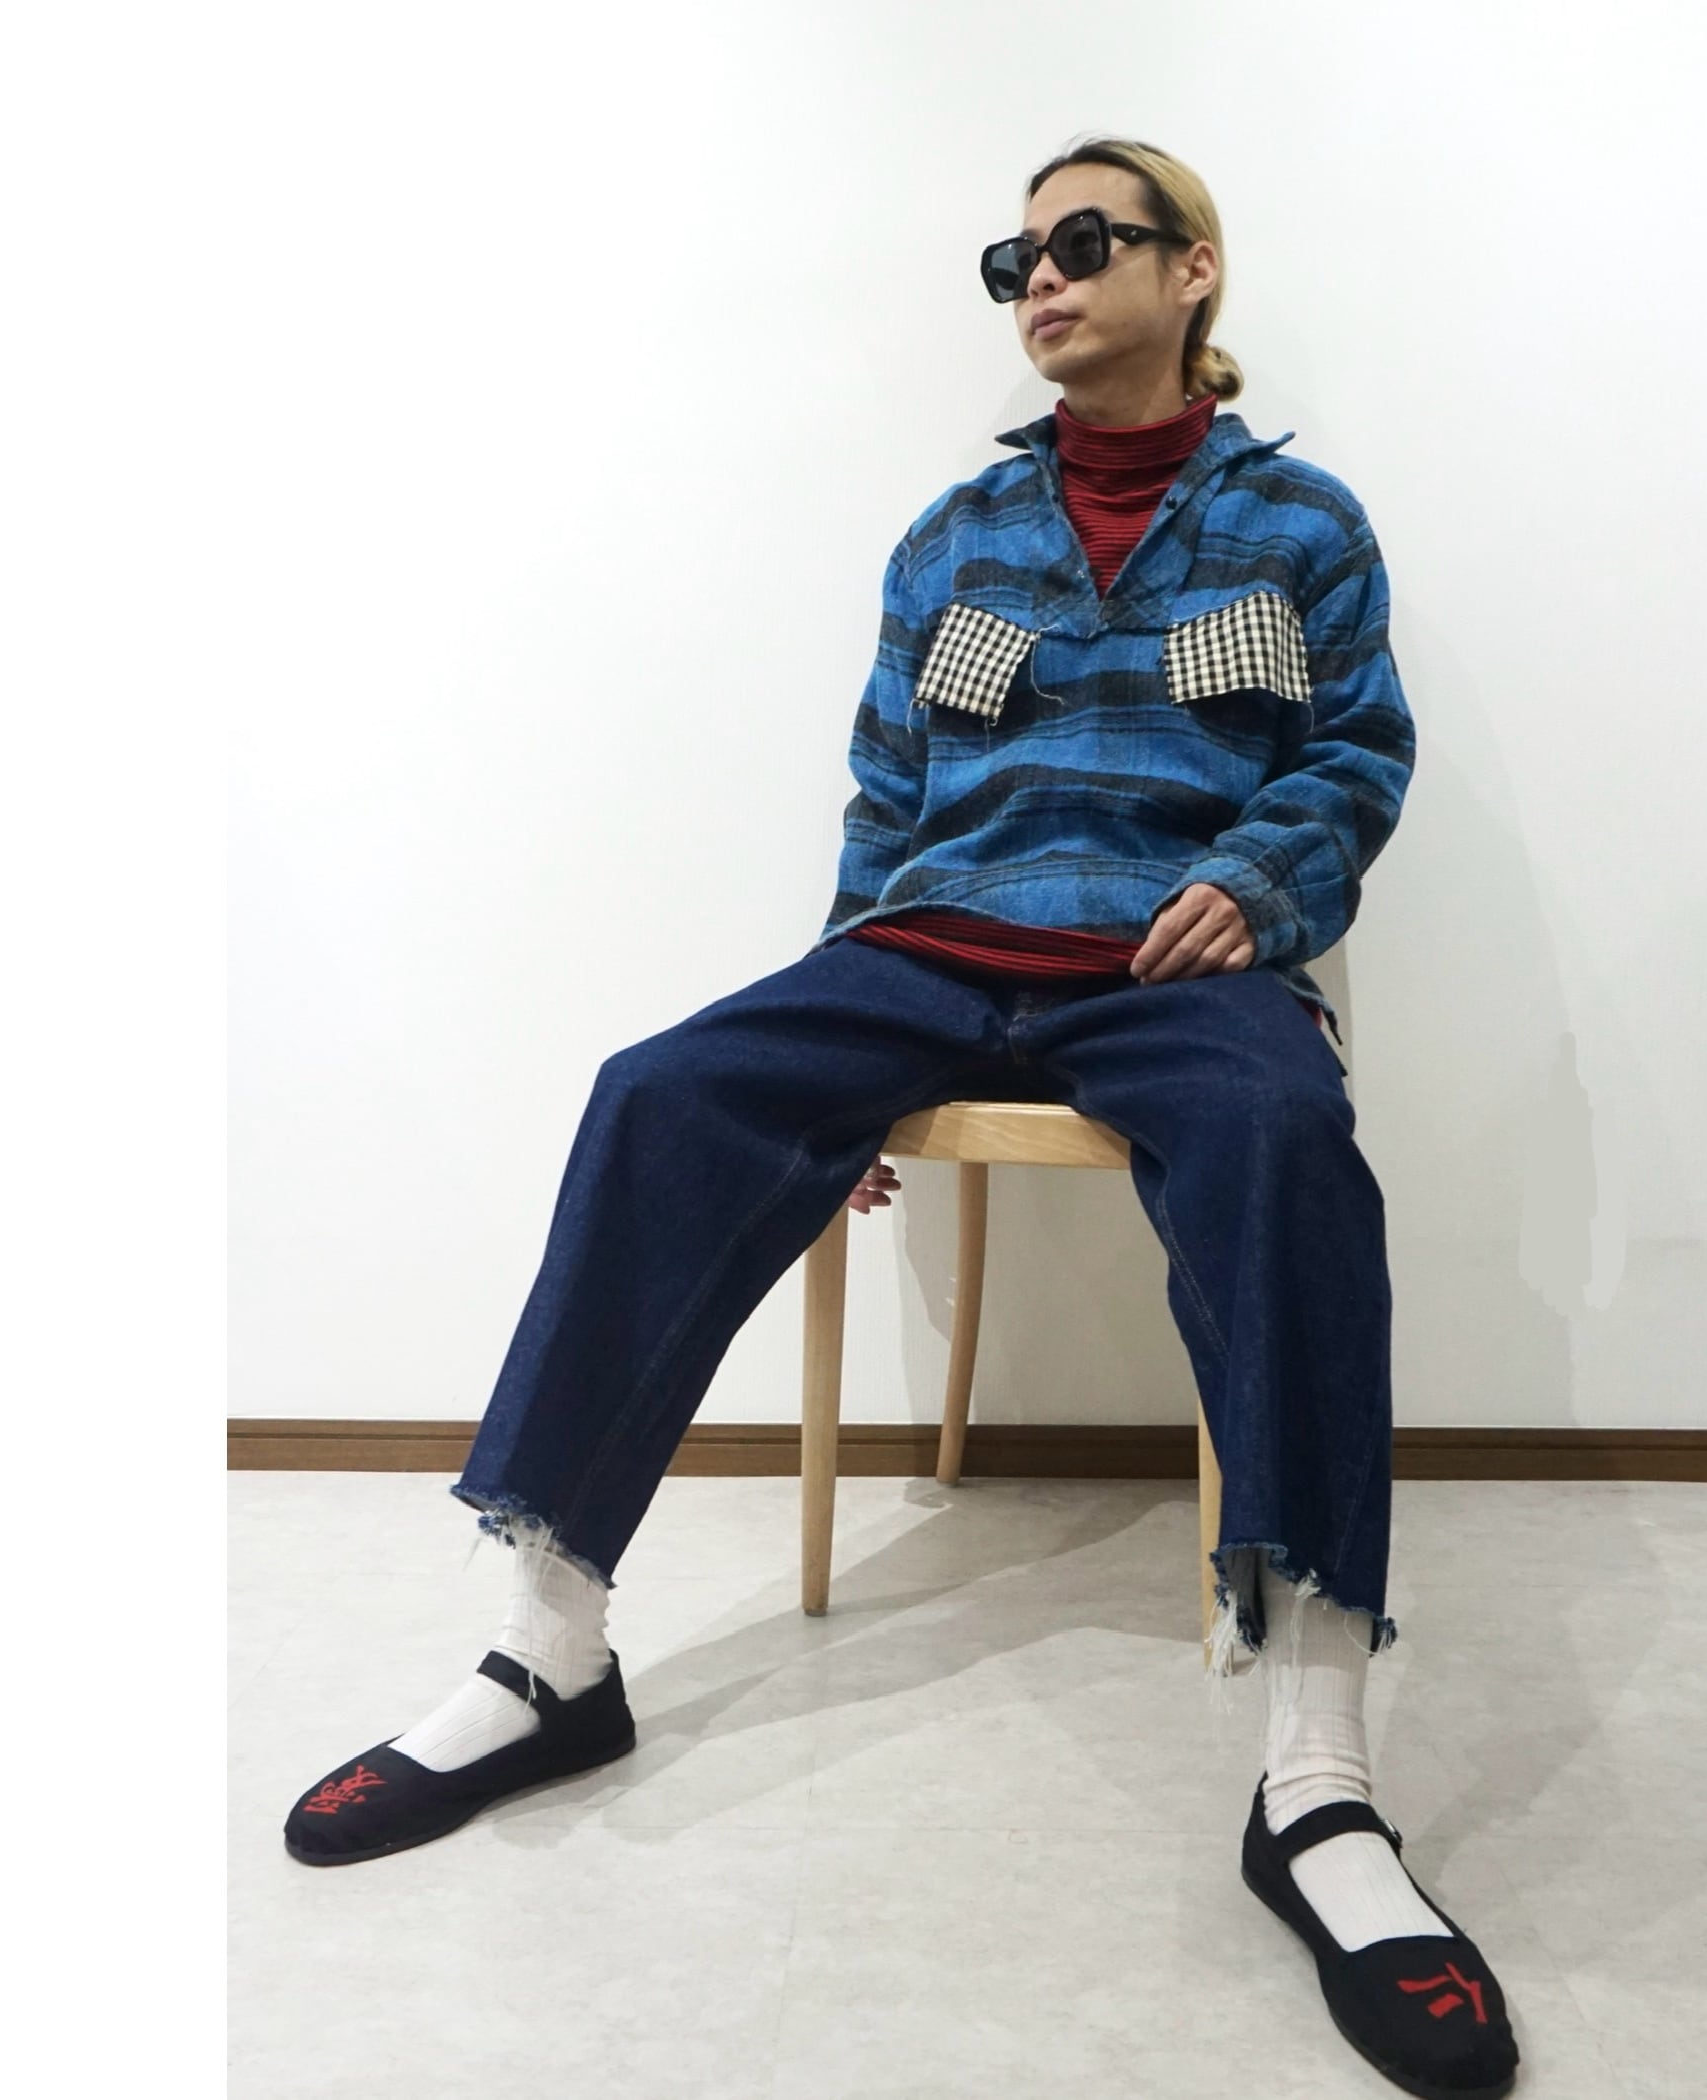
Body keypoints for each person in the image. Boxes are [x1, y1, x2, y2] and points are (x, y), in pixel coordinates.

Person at [280, 134, 1518, 2099]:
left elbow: (1358, 747)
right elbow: (887, 785)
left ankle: (1317, 1780)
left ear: (1193, 269)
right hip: (931, 951)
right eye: (1017, 259)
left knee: (1292, 1149)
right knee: (663, 1095)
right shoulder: (957, 534)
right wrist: (842, 1047)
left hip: (1170, 962)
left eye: (1085, 241)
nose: (1044, 279)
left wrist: (1262, 878)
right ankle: (551, 1656)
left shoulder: (1301, 522)